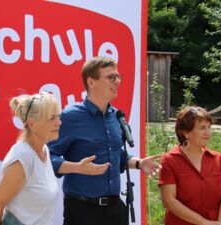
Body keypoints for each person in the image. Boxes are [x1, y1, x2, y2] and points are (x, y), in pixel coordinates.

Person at [48, 56, 162, 225]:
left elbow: (117, 156)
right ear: (91, 82)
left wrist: (139, 163)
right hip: (82, 210)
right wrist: (77, 168)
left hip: (115, 210)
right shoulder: (70, 116)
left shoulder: (117, 117)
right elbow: (48, 157)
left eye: (118, 77)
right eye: (110, 77)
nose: (117, 82)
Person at [0, 92, 109, 225]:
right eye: (51, 118)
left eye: (58, 116)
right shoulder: (22, 157)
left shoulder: (44, 150)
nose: (59, 123)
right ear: (32, 123)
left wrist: (78, 167)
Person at [159, 106, 221, 225]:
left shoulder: (218, 159)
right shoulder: (170, 160)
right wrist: (203, 222)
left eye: (209, 127)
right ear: (186, 132)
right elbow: (168, 201)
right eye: (202, 128)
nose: (208, 132)